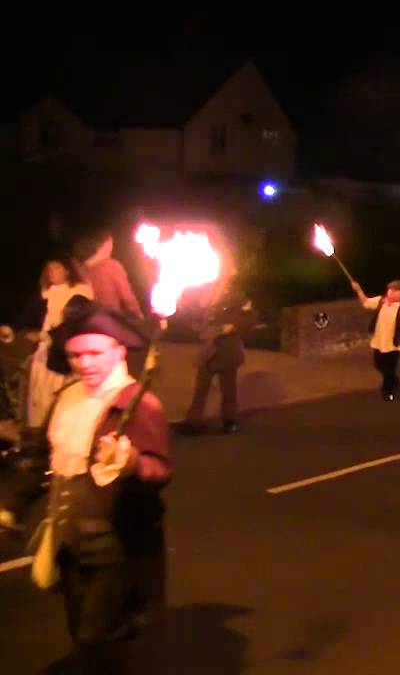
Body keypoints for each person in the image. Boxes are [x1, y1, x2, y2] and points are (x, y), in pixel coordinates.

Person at [0, 295, 171, 674]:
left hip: (117, 548)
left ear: (118, 350)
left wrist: (131, 463)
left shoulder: (139, 403)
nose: (85, 363)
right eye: (76, 355)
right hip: (70, 543)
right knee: (81, 631)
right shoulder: (66, 397)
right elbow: (42, 461)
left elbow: (160, 471)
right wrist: (12, 505)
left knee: (99, 640)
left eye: (95, 352)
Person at [178, 270, 255, 434]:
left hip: (227, 347)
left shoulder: (237, 296)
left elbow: (249, 317)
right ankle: (193, 422)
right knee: (201, 388)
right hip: (209, 348)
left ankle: (230, 421)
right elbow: (196, 315)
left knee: (228, 388)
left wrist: (233, 326)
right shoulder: (205, 293)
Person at [27, 256, 95, 429]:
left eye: (56, 268)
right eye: (49, 268)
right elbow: (31, 314)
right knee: (39, 396)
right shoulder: (47, 293)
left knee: (57, 397)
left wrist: (46, 336)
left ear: (68, 270)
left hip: (62, 353)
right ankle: (39, 432)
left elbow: (70, 325)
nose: (51, 272)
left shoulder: (79, 294)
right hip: (44, 352)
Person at [353, 279, 400, 401]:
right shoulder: (381, 301)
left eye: (394, 290)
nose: (390, 292)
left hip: (393, 345)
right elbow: (365, 302)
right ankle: (394, 381)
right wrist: (358, 290)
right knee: (378, 365)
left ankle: (388, 392)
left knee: (389, 370)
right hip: (378, 342)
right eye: (390, 289)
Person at [74, 229, 143, 320]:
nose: (112, 247)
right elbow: (127, 297)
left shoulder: (80, 270)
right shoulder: (112, 266)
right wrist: (138, 315)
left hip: (90, 321)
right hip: (111, 320)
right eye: (110, 243)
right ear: (102, 245)